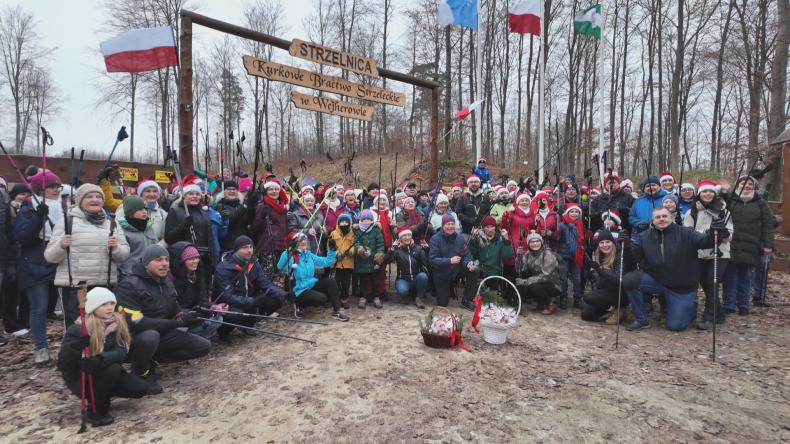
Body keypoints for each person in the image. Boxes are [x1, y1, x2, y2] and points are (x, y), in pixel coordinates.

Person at [115, 245, 211, 390]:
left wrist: (188, 315)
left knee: (203, 346)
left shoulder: (166, 282)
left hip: (164, 333)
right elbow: (136, 323)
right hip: (135, 337)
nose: (165, 263)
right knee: (150, 336)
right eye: (158, 260)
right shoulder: (129, 285)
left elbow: (175, 309)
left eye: (167, 259)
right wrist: (176, 323)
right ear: (146, 263)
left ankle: (152, 360)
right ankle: (140, 373)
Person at [58, 287, 149, 426]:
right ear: (92, 307)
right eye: (103, 304)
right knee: (112, 369)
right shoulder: (79, 328)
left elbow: (121, 351)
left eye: (112, 303)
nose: (109, 308)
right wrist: (76, 347)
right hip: (81, 376)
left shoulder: (117, 323)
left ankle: (102, 392)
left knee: (139, 388)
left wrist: (100, 358)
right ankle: (95, 410)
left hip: (104, 369)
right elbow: (63, 363)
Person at [626, 207, 726, 331]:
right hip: (657, 281)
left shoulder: (686, 232)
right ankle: (641, 319)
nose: (661, 219)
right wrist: (626, 245)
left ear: (671, 217)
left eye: (664, 216)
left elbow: (706, 242)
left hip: (682, 288)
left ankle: (690, 309)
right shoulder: (644, 237)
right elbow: (635, 258)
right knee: (629, 280)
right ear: (653, 220)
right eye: (658, 217)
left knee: (675, 326)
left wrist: (715, 232)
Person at [45, 184, 130, 327]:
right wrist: (61, 245)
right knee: (80, 329)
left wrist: (115, 248)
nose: (95, 199)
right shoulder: (67, 221)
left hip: (104, 284)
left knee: (104, 328)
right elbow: (50, 257)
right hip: (77, 287)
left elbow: (123, 255)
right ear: (80, 200)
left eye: (98, 197)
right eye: (89, 196)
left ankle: (101, 350)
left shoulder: (111, 223)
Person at [13, 173, 62, 364]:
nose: (57, 189)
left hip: (58, 260)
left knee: (64, 305)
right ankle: (41, 348)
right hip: (34, 265)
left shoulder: (62, 208)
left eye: (58, 185)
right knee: (39, 307)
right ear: (40, 190)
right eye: (52, 186)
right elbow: (24, 238)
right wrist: (39, 217)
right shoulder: (27, 209)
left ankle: (72, 345)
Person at [212, 236, 289, 339]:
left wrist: (285, 295)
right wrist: (252, 301)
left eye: (251, 247)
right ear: (236, 250)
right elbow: (227, 296)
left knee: (275, 300)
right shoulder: (223, 268)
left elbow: (265, 284)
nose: (249, 250)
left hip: (248, 297)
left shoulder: (254, 262)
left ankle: (248, 325)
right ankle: (223, 331)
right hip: (227, 304)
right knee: (236, 315)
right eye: (244, 247)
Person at [723, 176, 776, 315]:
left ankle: (743, 304)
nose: (747, 186)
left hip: (752, 245)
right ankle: (729, 304)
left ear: (754, 186)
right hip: (731, 244)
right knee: (730, 275)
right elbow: (718, 206)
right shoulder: (730, 199)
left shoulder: (760, 203)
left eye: (750, 184)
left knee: (746, 276)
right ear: (738, 185)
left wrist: (768, 244)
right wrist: (723, 191)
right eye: (743, 183)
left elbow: (768, 224)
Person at [683, 181, 732, 330]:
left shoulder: (724, 211)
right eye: (704, 192)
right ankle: (720, 313)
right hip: (699, 252)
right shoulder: (692, 212)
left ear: (715, 194)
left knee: (712, 283)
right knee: (705, 284)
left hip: (720, 252)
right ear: (699, 194)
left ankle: (709, 317)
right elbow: (687, 233)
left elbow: (730, 234)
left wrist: (722, 232)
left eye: (711, 192)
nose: (708, 194)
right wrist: (707, 234)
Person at [277, 232, 348, 321]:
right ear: (294, 243)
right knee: (322, 298)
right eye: (300, 240)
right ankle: (299, 305)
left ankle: (337, 311)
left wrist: (332, 249)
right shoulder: (291, 256)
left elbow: (327, 262)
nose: (303, 242)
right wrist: (288, 251)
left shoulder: (309, 255)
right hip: (299, 290)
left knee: (331, 281)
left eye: (305, 239)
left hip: (311, 285)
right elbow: (280, 267)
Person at [168, 241, 221, 339]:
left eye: (197, 257)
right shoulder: (170, 279)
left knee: (218, 317)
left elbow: (202, 300)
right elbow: (171, 307)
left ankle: (196, 337)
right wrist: (186, 313)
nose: (195, 261)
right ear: (181, 261)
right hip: (179, 317)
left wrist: (213, 306)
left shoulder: (198, 273)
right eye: (190, 259)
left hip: (193, 312)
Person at [164, 183, 216, 280]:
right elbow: (169, 238)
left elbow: (210, 238)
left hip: (203, 259)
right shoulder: (175, 212)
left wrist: (213, 259)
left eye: (197, 194)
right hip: (183, 259)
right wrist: (183, 226)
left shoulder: (204, 214)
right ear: (184, 196)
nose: (194, 196)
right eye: (190, 194)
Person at [580, 229, 633, 324]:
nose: (605, 245)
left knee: (588, 297)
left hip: (620, 292)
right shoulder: (598, 255)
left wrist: (600, 270)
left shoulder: (619, 255)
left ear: (612, 242)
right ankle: (610, 310)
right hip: (605, 289)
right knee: (586, 314)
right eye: (602, 242)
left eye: (608, 242)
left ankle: (620, 308)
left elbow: (618, 279)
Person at [428, 214, 480, 309]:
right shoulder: (435, 239)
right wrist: (449, 261)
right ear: (443, 225)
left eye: (452, 224)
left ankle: (466, 300)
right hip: (441, 274)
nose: (450, 226)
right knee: (442, 304)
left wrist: (468, 264)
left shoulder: (460, 238)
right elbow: (432, 260)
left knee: (475, 270)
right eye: (447, 224)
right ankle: (445, 289)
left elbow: (466, 254)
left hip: (456, 271)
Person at [514, 231, 562, 315]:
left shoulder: (548, 254)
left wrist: (526, 281)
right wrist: (519, 257)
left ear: (541, 242)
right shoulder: (528, 254)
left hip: (552, 284)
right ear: (528, 244)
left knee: (534, 287)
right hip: (537, 282)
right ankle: (524, 306)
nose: (535, 244)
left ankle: (550, 303)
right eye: (532, 242)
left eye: (537, 241)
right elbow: (520, 269)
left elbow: (546, 276)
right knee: (520, 285)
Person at [383, 227, 429, 308]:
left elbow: (426, 263)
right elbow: (387, 261)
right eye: (404, 236)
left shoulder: (418, 248)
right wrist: (392, 249)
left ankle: (419, 298)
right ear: (400, 238)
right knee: (403, 290)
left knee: (423, 276)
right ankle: (406, 295)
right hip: (402, 279)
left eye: (409, 235)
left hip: (416, 279)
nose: (407, 237)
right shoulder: (397, 250)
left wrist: (426, 250)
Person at [469, 216, 514, 300]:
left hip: (494, 270)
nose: (490, 229)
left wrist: (507, 241)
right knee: (473, 273)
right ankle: (470, 296)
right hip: (480, 266)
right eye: (487, 227)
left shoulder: (500, 239)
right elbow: (472, 253)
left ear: (495, 227)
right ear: (483, 228)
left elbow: (507, 256)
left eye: (492, 226)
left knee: (492, 298)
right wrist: (472, 240)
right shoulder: (478, 238)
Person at [250, 180, 288, 274]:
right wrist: (262, 216)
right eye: (271, 189)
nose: (274, 191)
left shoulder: (282, 208)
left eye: (276, 189)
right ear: (266, 191)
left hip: (282, 245)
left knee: (281, 275)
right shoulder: (262, 206)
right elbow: (255, 227)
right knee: (269, 275)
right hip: (268, 245)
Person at [118, 196, 159, 280]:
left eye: (145, 209)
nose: (144, 212)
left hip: (150, 273)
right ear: (130, 213)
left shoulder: (149, 227)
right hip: (130, 274)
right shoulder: (122, 230)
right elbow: (120, 257)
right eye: (140, 210)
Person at [354, 210, 384, 309]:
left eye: (369, 219)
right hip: (362, 260)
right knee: (363, 280)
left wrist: (379, 253)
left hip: (373, 260)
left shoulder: (376, 230)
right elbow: (356, 242)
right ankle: (363, 297)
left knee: (374, 280)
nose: (366, 221)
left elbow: (380, 243)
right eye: (364, 219)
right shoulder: (358, 231)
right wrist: (361, 249)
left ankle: (376, 297)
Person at [558, 203, 586, 309]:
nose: (574, 213)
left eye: (576, 211)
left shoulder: (580, 224)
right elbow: (558, 240)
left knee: (577, 278)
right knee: (563, 278)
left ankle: (577, 298)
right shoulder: (562, 225)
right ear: (567, 213)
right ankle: (563, 297)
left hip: (577, 255)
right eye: (572, 211)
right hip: (564, 255)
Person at [212, 180, 248, 254]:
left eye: (234, 189)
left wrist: (251, 207)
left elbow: (249, 221)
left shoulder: (240, 206)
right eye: (228, 189)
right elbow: (231, 219)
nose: (232, 191)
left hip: (243, 245)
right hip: (228, 246)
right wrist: (244, 206)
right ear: (223, 192)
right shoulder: (219, 206)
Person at [329, 214, 355, 308]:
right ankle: (336, 299)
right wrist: (336, 254)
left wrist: (350, 252)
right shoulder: (333, 233)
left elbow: (354, 246)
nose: (344, 224)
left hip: (348, 263)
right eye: (342, 222)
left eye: (346, 222)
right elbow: (329, 246)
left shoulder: (352, 233)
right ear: (338, 223)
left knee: (346, 282)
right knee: (335, 282)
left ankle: (345, 298)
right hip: (337, 263)